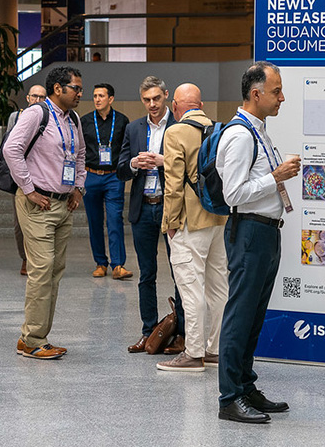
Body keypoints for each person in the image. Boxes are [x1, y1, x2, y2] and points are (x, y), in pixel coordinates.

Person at [216, 62, 301, 423]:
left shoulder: (260, 131)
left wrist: (274, 176)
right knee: (240, 316)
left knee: (254, 316)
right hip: (249, 231)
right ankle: (229, 398)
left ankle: (246, 386)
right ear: (256, 94)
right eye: (276, 90)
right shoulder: (239, 135)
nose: (282, 97)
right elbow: (233, 194)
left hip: (267, 231)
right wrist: (275, 177)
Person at [3, 66, 86, 360]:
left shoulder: (73, 118)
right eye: (75, 88)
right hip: (38, 203)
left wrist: (78, 187)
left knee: (54, 271)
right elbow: (11, 149)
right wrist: (28, 189)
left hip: (63, 203)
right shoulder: (38, 114)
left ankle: (34, 336)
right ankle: (33, 339)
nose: (80, 93)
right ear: (58, 89)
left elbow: (79, 155)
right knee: (41, 271)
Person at [156, 83, 228, 372]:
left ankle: (193, 354)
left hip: (190, 222)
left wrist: (170, 223)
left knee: (191, 287)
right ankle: (215, 349)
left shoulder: (175, 132)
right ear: (200, 104)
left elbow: (173, 184)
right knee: (219, 287)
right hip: (219, 219)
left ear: (175, 106)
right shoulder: (219, 130)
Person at [118, 76, 185, 355]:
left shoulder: (180, 127)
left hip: (172, 207)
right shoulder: (134, 129)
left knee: (179, 272)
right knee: (147, 274)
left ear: (166, 95)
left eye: (157, 98)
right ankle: (149, 332)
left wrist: (162, 162)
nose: (152, 104)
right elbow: (121, 169)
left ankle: (181, 334)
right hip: (143, 206)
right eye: (146, 99)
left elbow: (191, 166)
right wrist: (134, 163)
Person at [79, 83, 132, 280]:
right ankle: (100, 263)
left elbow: (127, 148)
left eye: (101, 96)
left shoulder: (122, 121)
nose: (97, 99)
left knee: (114, 220)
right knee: (94, 222)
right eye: (94, 96)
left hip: (113, 177)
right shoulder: (84, 121)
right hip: (91, 175)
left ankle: (118, 265)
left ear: (111, 99)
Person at [6, 84, 48, 276]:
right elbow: (9, 145)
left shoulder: (49, 119)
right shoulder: (15, 117)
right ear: (28, 98)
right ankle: (24, 258)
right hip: (20, 178)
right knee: (19, 223)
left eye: (42, 97)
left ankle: (38, 258)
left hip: (42, 176)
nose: (38, 100)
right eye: (34, 96)